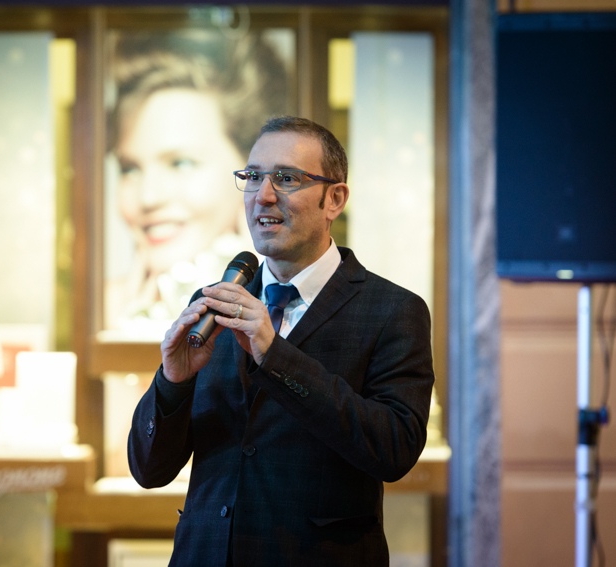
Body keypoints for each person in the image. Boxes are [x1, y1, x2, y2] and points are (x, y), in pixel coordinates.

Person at [127, 116, 435, 566]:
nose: (264, 195)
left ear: (335, 199)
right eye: (253, 177)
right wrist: (172, 383)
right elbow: (148, 470)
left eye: (286, 179)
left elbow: (395, 450)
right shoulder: (214, 305)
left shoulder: (392, 310)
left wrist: (276, 355)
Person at [103, 29, 292, 334]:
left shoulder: (298, 310)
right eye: (130, 169)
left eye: (181, 163)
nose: (148, 197)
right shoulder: (98, 312)